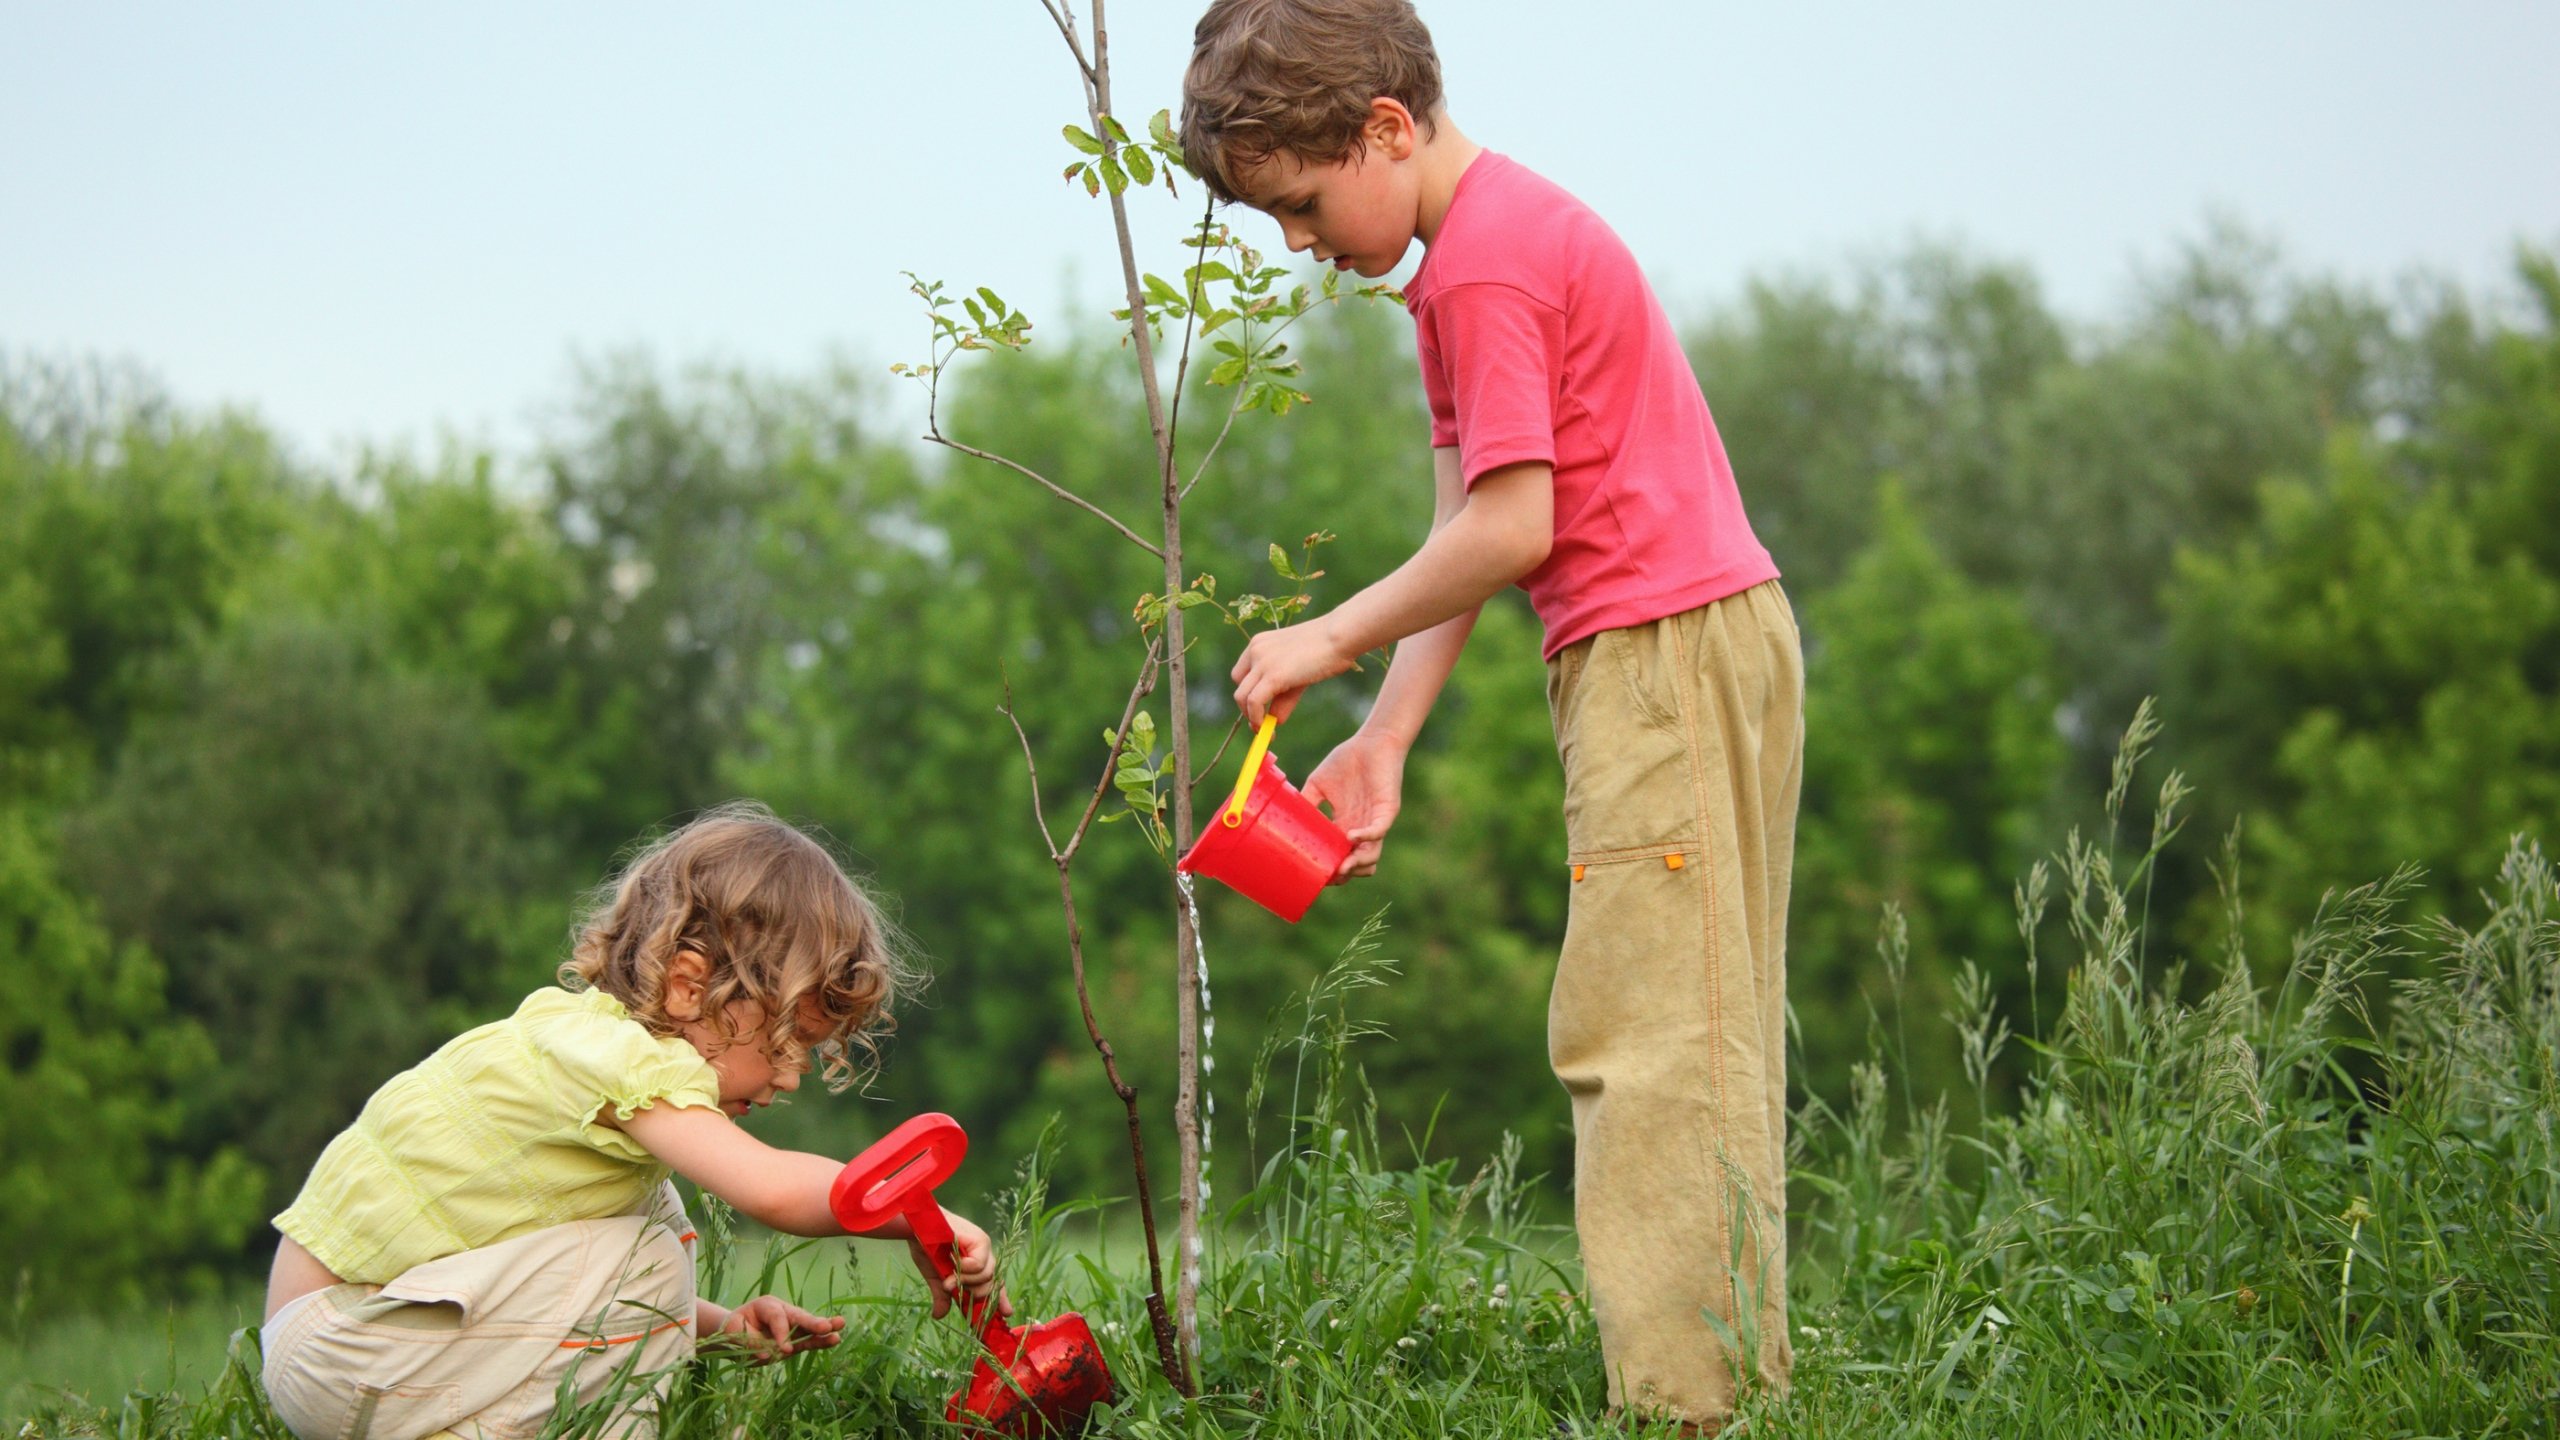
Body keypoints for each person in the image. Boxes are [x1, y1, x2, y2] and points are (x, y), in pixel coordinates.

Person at [1182, 1, 1802, 1430]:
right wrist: (1387, 732)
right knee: (1699, 1023)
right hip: (1686, 642)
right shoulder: (1473, 256)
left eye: (1302, 203)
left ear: (1386, 128)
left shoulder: (1485, 269)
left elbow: (1519, 527)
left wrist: (1330, 634)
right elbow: (1469, 522)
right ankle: (1730, 1387)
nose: (1299, 243)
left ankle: (1690, 1408)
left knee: (1649, 1039)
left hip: (1659, 655)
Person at [259, 801, 1006, 1440]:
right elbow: (774, 1190)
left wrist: (717, 1326)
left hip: (356, 1345)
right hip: (349, 1345)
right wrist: (920, 1219)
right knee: (648, 1251)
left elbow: (534, 1269)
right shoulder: (624, 1062)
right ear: (688, 988)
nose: (790, 1076)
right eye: (786, 1041)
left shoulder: (582, 1043)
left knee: (652, 1222)